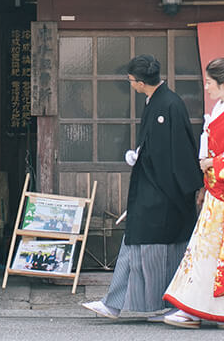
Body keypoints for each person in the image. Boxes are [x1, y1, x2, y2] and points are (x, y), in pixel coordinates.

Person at [82, 54, 202, 320]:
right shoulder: (159, 102)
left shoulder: (168, 104)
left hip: (164, 192)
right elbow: (160, 148)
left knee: (158, 251)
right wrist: (140, 152)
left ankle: (169, 305)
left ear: (139, 82)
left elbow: (176, 152)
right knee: (140, 247)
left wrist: (141, 157)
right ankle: (116, 303)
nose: (130, 84)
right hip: (156, 188)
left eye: (131, 80)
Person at [161, 57, 224, 329]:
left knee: (209, 251)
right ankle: (223, 310)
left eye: (209, 82)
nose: (205, 87)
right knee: (215, 252)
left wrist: (211, 164)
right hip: (218, 192)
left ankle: (201, 311)